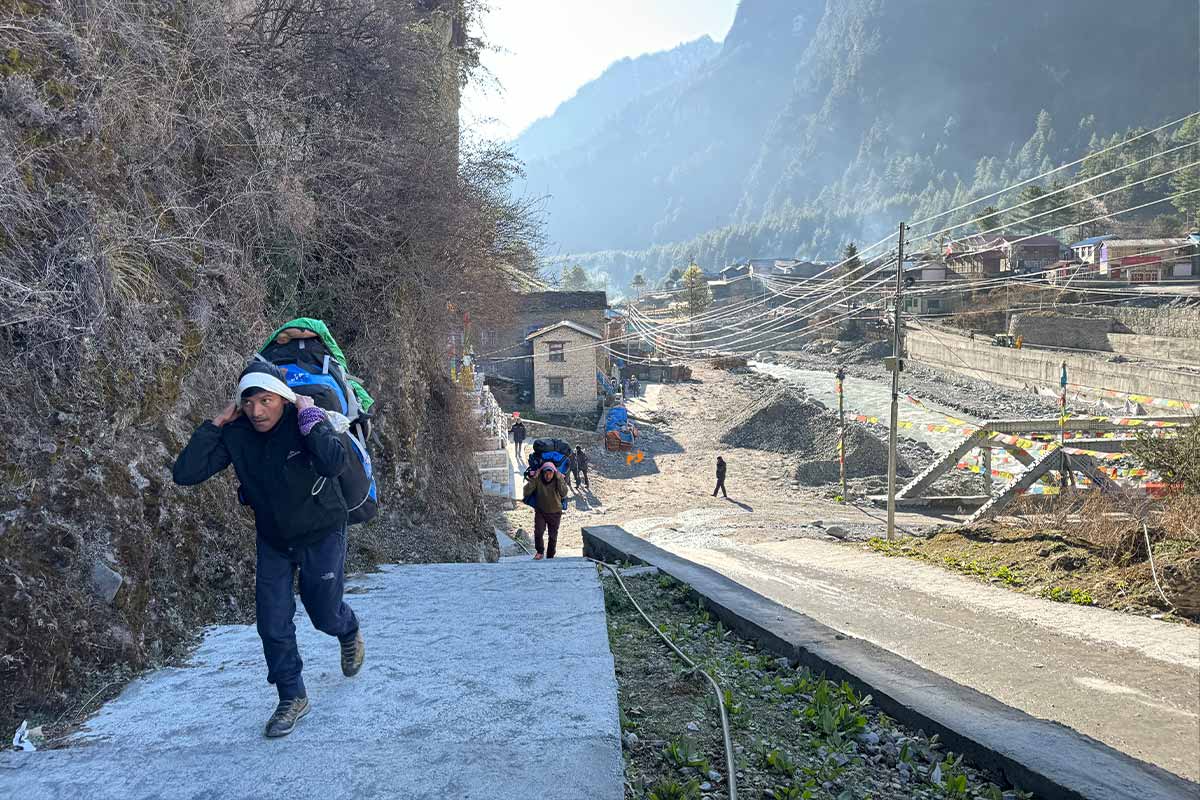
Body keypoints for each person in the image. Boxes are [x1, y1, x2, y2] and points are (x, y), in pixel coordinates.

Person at [172, 361, 365, 739]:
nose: (257, 411)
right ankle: (291, 696)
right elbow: (186, 473)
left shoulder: (303, 421)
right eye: (249, 402)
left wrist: (311, 416)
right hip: (274, 539)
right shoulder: (238, 434)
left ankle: (348, 629)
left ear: (283, 399)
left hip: (322, 531)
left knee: (324, 613)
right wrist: (215, 425)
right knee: (272, 622)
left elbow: (333, 462)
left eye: (266, 400)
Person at [523, 461, 569, 560]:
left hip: (555, 512)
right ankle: (540, 552)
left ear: (554, 473)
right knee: (538, 532)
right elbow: (526, 492)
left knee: (552, 536)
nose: (548, 475)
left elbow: (564, 493)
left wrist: (560, 478)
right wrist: (534, 478)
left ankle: (550, 556)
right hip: (541, 511)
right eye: (546, 473)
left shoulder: (557, 480)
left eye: (550, 473)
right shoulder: (538, 480)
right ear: (542, 473)